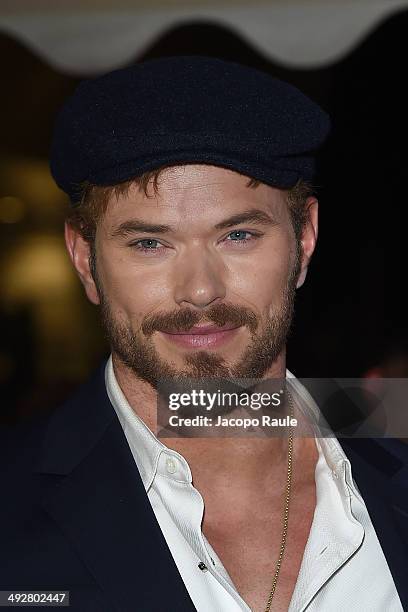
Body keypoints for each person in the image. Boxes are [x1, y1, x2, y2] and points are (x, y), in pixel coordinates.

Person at [0, 56, 406, 612]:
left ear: (305, 239)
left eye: (238, 235)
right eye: (149, 243)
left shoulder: (390, 430)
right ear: (84, 259)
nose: (199, 291)